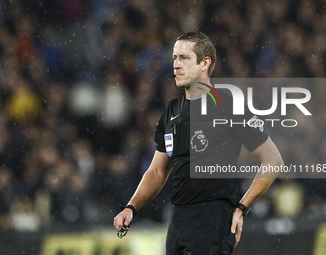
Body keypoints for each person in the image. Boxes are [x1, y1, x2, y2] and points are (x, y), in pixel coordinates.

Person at [113, 31, 283, 255]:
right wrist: (131, 207)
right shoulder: (171, 112)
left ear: (205, 63)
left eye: (184, 58)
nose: (176, 65)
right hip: (178, 219)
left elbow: (273, 160)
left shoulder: (228, 103)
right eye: (174, 58)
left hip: (213, 218)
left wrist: (242, 207)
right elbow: (157, 171)